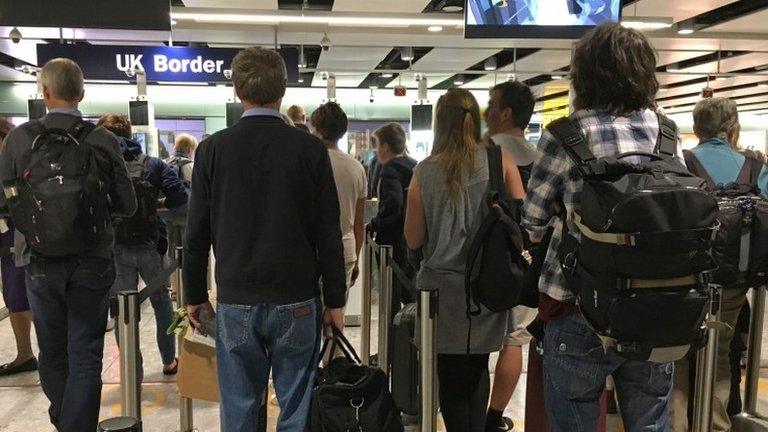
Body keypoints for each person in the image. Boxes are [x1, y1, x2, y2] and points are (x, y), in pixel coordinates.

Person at [522, 23, 678, 431]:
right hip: (655, 305)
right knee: (649, 423)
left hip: (579, 303)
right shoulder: (666, 132)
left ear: (584, 75)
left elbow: (533, 221)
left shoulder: (567, 134)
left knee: (574, 420)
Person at [183, 47, 346, 432]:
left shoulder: (212, 150)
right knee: (297, 404)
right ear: (283, 90)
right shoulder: (309, 149)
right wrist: (336, 299)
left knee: (238, 406)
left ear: (236, 88)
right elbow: (329, 230)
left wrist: (193, 294)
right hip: (297, 297)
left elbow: (196, 233)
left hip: (237, 297)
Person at [0, 58, 136, 432]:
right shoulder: (102, 139)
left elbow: (5, 199)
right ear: (82, 93)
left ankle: (66, 419)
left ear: (44, 92)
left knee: (52, 350)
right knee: (86, 350)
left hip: (39, 261)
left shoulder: (18, 139)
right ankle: (76, 424)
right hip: (92, 259)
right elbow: (128, 204)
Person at [404, 88, 525, 432]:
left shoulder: (424, 172)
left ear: (440, 124)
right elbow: (521, 221)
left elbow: (413, 239)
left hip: (441, 293)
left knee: (451, 376)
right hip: (487, 286)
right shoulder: (499, 160)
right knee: (477, 368)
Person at [669, 97, 768, 432]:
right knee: (721, 354)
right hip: (734, 279)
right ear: (732, 128)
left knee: (679, 355)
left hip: (685, 278)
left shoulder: (680, 163)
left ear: (696, 129)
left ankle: (677, 425)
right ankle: (715, 425)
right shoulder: (755, 167)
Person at [97, 114, 188, 377]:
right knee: (162, 303)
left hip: (116, 245)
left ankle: (130, 366)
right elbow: (180, 196)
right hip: (151, 243)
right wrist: (155, 206)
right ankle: (169, 361)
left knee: (122, 309)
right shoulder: (153, 164)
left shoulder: (99, 165)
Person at [483, 80, 538, 431]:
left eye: (491, 104)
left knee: (473, 338)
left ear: (505, 113)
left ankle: (471, 411)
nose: (486, 111)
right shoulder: (540, 158)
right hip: (524, 263)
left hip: (480, 262)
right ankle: (493, 416)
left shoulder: (482, 152)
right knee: (514, 337)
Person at [310, 102, 367, 290]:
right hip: (345, 249)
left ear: (316, 129)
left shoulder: (308, 162)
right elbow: (359, 223)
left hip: (311, 250)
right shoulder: (357, 168)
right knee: (336, 313)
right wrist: (357, 257)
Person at [0, 117, 37, 378]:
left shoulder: (13, 160)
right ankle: (25, 353)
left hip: (16, 231)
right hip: (15, 231)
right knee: (15, 295)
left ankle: (32, 352)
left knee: (20, 292)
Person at [368, 122, 417, 308]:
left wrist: (375, 224)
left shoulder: (389, 170)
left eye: (378, 144)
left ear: (386, 147)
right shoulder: (415, 166)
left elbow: (393, 205)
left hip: (393, 242)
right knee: (409, 291)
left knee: (392, 296)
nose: (377, 149)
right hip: (412, 239)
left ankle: (394, 335)